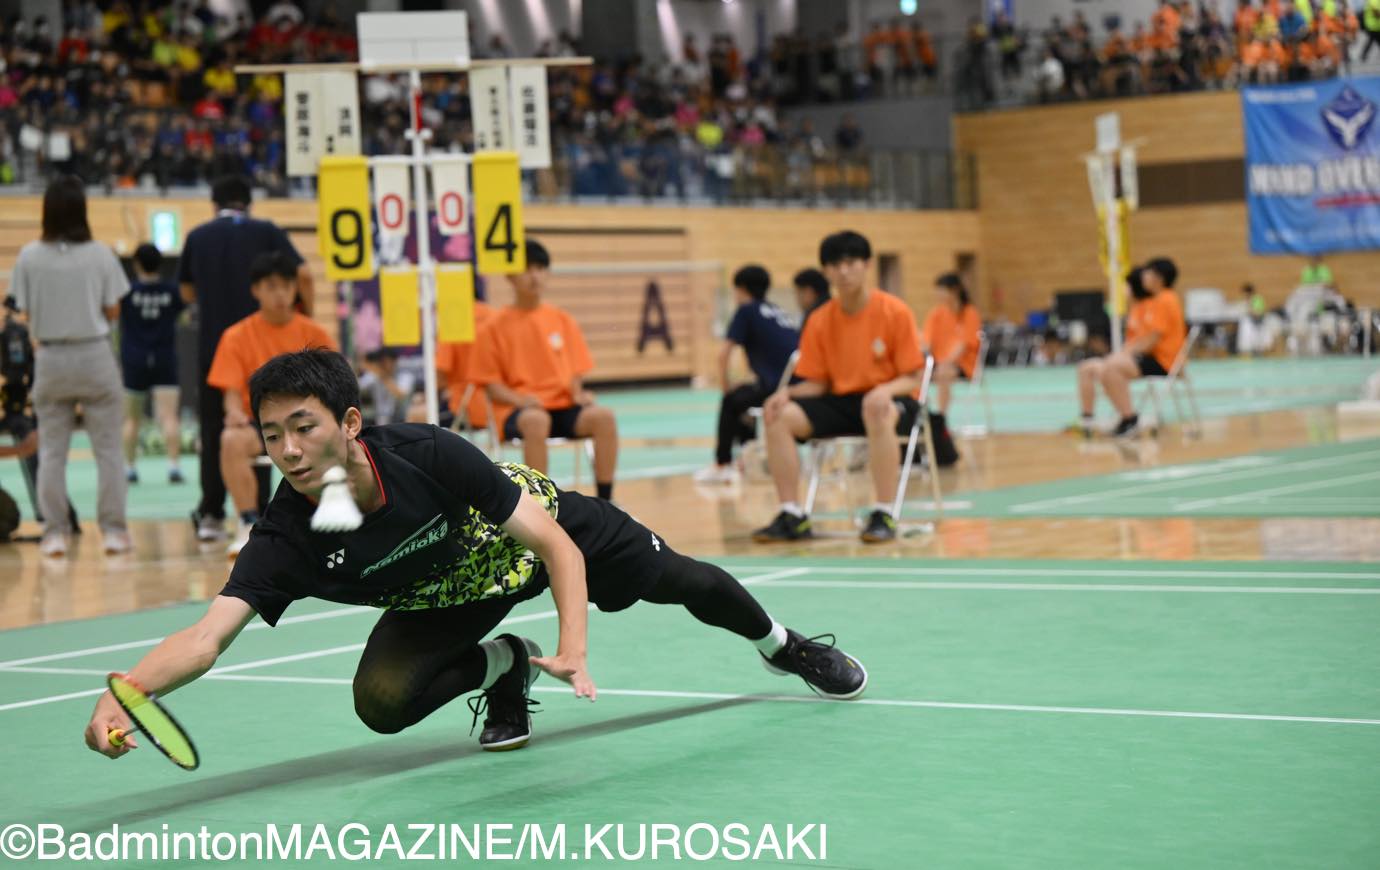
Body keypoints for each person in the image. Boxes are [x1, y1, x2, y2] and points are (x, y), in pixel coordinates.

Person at [82, 348, 868, 759]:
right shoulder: (290, 535)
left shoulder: (427, 452)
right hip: (447, 598)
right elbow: (205, 638)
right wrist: (128, 691)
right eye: (272, 433)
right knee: (380, 703)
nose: (286, 448)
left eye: (303, 426)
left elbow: (556, 546)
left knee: (687, 580)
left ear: (350, 422)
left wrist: (575, 647)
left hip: (531, 539)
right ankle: (504, 666)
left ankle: (785, 646)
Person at [753, 231, 925, 545]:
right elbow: (818, 382)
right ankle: (792, 513)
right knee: (778, 416)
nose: (843, 271)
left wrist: (885, 391)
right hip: (840, 401)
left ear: (867, 265)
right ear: (826, 272)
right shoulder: (819, 320)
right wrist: (786, 394)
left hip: (890, 401)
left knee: (875, 407)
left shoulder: (894, 312)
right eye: (835, 265)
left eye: (851, 263)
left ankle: (883, 511)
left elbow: (914, 377)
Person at [180, 174, 313, 543]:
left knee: (219, 431)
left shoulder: (198, 236)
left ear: (214, 202)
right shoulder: (267, 230)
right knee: (278, 415)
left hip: (214, 348)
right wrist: (306, 311)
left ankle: (212, 512)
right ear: (247, 202)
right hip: (267, 347)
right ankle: (266, 511)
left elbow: (187, 289)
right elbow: (301, 272)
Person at [9, 176, 131, 557]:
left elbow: (23, 308)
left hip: (51, 357)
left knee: (51, 452)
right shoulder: (100, 254)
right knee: (109, 450)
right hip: (94, 353)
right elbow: (113, 309)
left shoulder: (29, 255)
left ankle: (55, 534)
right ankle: (113, 532)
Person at [206, 252, 336, 557]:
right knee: (231, 439)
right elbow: (230, 393)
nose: (280, 294)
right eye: (271, 286)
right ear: (256, 290)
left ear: (295, 289)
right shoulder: (236, 336)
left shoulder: (315, 334)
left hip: (308, 423)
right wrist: (234, 414)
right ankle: (248, 524)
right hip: (263, 426)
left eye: (286, 286)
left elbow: (333, 386)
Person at [470, 240, 618, 500]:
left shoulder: (561, 319)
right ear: (510, 275)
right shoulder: (493, 326)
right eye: (527, 268)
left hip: (561, 406)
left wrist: (578, 393)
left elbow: (575, 371)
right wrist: (520, 400)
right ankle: (542, 505)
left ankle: (606, 501)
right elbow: (491, 385)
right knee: (537, 421)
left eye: (540, 268)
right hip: (520, 410)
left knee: (603, 417)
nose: (535, 275)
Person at [694, 265, 799, 485]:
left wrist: (725, 386)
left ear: (741, 289)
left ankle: (722, 464)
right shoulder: (776, 310)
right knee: (744, 397)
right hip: (797, 384)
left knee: (732, 399)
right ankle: (746, 460)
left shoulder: (746, 310)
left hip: (777, 389)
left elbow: (723, 354)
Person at [1075, 258, 1186, 438]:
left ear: (1159, 277)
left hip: (1164, 361)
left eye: (1148, 273)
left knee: (1112, 367)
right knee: (1089, 367)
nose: (1145, 277)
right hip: (1148, 358)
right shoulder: (1152, 302)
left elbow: (1151, 340)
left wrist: (1122, 356)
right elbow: (1139, 340)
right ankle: (1088, 420)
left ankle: (1129, 418)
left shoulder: (1165, 300)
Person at [120, 243, 186, 485]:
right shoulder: (171, 291)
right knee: (169, 416)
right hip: (164, 358)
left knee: (131, 419)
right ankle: (174, 467)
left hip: (134, 360)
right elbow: (184, 311)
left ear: (137, 264)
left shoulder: (127, 292)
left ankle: (129, 469)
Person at [919, 273, 979, 466]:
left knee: (944, 372)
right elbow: (926, 341)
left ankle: (941, 419)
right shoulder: (936, 314)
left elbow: (964, 344)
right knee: (917, 375)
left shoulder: (969, 313)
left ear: (954, 291)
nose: (938, 295)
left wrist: (946, 362)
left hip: (964, 364)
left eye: (941, 290)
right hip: (937, 363)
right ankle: (921, 415)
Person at [433, 294, 496, 433]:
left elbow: (440, 376)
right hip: (496, 409)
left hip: (464, 409)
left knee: (417, 417)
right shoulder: (493, 315)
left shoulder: (452, 318)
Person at [357, 348, 417, 427]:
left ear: (395, 361)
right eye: (381, 362)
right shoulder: (374, 375)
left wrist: (383, 376)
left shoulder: (405, 376)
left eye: (386, 362)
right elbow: (357, 386)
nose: (384, 365)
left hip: (400, 419)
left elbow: (401, 395)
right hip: (378, 419)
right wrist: (364, 366)